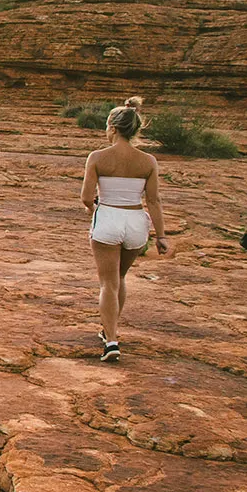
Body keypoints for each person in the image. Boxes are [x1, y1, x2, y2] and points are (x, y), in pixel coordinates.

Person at [80, 97, 170, 362]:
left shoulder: (97, 157)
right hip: (135, 222)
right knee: (119, 278)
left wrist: (91, 209)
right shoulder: (148, 161)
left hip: (108, 218)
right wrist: (161, 236)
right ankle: (110, 329)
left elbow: (86, 197)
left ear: (112, 128)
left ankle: (111, 340)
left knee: (107, 282)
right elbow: (153, 201)